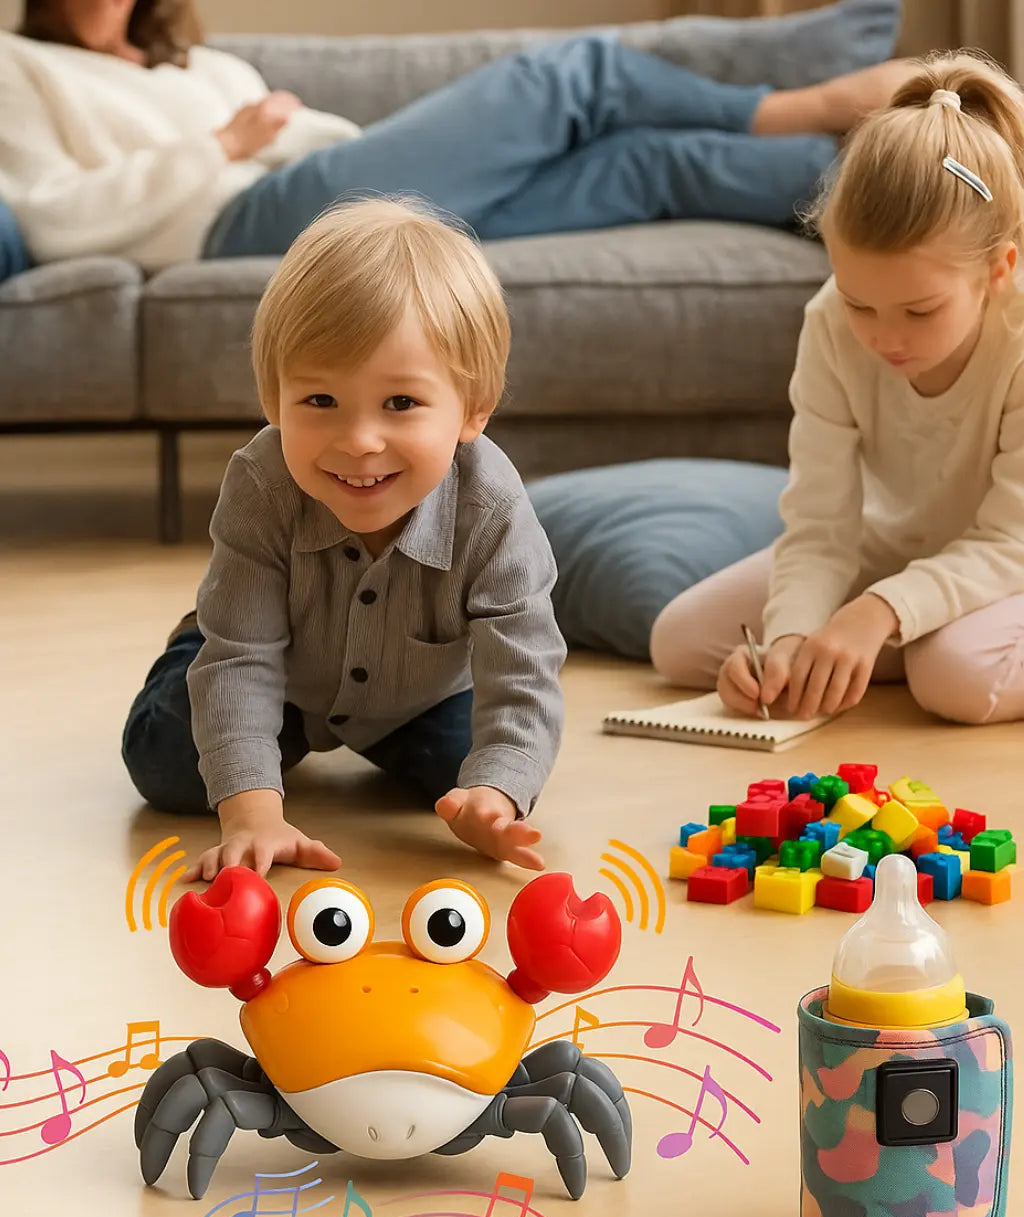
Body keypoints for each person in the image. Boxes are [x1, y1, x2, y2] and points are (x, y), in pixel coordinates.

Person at [121, 198, 565, 878]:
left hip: (417, 697)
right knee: (169, 769)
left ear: (473, 409)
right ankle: (192, 646)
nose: (358, 442)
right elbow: (242, 657)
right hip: (271, 665)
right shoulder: (262, 483)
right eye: (320, 401)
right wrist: (251, 812)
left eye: (401, 404)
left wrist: (498, 792)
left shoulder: (494, 509)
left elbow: (523, 669)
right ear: (274, 401)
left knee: (465, 776)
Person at [650, 53, 1024, 727]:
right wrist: (790, 641)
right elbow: (821, 523)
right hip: (901, 550)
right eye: (860, 303)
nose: (884, 338)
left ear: (1000, 270)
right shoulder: (828, 321)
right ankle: (892, 641)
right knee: (682, 643)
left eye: (919, 311)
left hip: (1013, 556)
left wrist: (877, 611)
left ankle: (909, 640)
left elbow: (1012, 539)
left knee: (958, 678)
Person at [0, 0, 910, 268]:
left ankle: (905, 190)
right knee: (565, 76)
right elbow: (45, 219)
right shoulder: (21, 66)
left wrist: (280, 136)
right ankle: (812, 105)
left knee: (642, 164)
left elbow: (318, 137)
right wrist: (225, 145)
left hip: (331, 193)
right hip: (240, 224)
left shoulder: (201, 67)